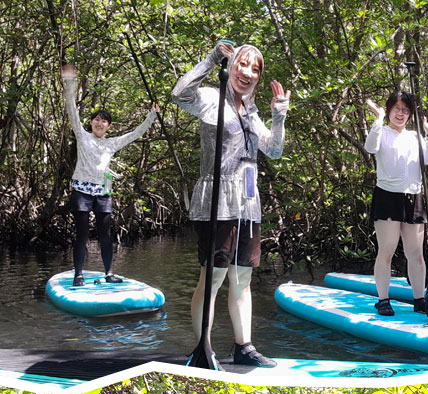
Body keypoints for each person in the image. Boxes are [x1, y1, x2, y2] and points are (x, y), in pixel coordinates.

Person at [171, 41, 290, 367]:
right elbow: (179, 93)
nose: (248, 73)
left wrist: (279, 115)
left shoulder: (252, 113)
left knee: (242, 279)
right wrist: (210, 59)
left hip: (248, 204)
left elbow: (275, 150)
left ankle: (244, 346)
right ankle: (202, 348)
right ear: (231, 64)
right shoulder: (211, 99)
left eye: (255, 69)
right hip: (217, 201)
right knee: (213, 277)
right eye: (242, 64)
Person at [61, 64, 159, 287]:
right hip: (82, 192)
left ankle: (108, 273)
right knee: (82, 235)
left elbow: (137, 133)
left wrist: (152, 115)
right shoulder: (82, 136)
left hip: (103, 192)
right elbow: (71, 109)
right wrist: (70, 82)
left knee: (106, 235)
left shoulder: (112, 143)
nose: (99, 123)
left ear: (108, 126)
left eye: (104, 121)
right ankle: (78, 275)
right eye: (96, 119)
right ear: (91, 123)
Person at [364, 92, 428, 316]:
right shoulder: (382, 131)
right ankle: (383, 299)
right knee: (387, 250)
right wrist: (378, 118)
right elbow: (371, 147)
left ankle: (420, 299)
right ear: (389, 109)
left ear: (410, 114)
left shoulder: (415, 136)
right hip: (387, 196)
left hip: (413, 197)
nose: (400, 114)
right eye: (396, 109)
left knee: (416, 253)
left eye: (405, 110)